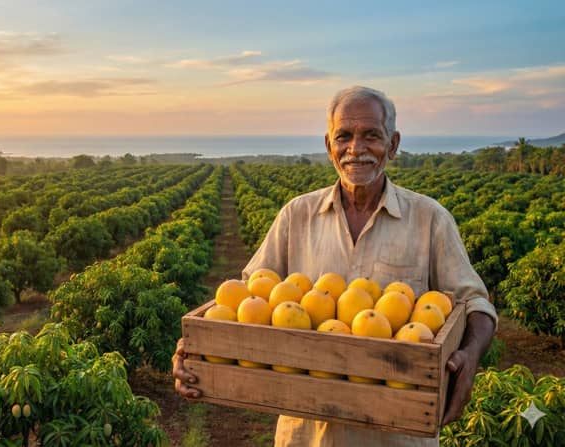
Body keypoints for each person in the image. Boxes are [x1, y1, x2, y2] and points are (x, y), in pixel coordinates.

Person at [172, 86, 497, 446]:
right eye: (344, 136)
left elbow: (475, 304)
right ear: (329, 146)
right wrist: (196, 349)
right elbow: (245, 301)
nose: (356, 149)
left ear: (393, 144)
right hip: (306, 434)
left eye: (371, 135)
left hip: (398, 433)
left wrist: (469, 355)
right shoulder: (297, 215)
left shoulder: (430, 219)